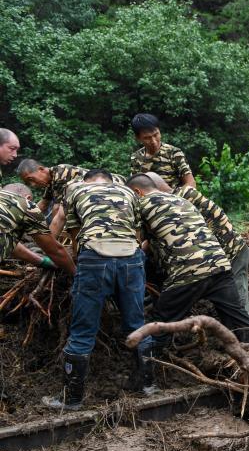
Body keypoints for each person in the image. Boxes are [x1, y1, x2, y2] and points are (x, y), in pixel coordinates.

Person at [126, 174, 249, 394]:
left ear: (137, 192)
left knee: (159, 325)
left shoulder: (140, 204)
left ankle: (143, 383)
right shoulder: (181, 200)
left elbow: (134, 243)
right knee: (239, 320)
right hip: (219, 265)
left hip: (187, 272)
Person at [41, 170, 144, 411]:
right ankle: (147, 385)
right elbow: (137, 233)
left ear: (87, 181)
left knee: (82, 331)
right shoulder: (129, 191)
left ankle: (72, 399)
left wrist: (82, 265)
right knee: (137, 324)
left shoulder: (75, 189)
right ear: (110, 180)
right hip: (131, 258)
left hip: (95, 258)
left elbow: (74, 235)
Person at [144, 172, 249, 322]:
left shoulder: (181, 198)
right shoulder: (179, 196)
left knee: (239, 307)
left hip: (231, 252)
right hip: (216, 254)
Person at [17, 159, 125, 237]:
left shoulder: (61, 173)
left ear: (41, 169)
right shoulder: (51, 182)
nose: (33, 185)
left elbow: (56, 211)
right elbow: (43, 204)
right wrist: (20, 221)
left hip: (118, 187)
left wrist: (51, 243)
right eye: (29, 183)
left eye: (32, 179)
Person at [0, 184, 75, 274]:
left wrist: (42, 262)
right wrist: (75, 273)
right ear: (28, 198)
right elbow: (55, 250)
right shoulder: (26, 204)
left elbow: (10, 245)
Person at [129, 114, 195, 189]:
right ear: (138, 138)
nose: (153, 141)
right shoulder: (136, 157)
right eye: (147, 138)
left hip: (174, 197)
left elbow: (191, 183)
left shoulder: (173, 153)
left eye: (156, 135)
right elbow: (135, 186)